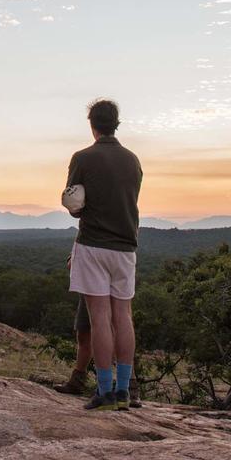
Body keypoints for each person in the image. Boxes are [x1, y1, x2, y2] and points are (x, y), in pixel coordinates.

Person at [65, 99, 142, 411]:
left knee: (99, 318)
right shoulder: (133, 160)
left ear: (92, 124)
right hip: (125, 246)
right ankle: (124, 391)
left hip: (94, 243)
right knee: (123, 316)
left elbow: (74, 204)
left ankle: (105, 391)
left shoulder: (82, 157)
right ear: (117, 123)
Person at [53, 293, 142, 408]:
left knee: (117, 324)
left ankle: (129, 387)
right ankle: (77, 380)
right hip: (93, 281)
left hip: (105, 281)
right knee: (85, 331)